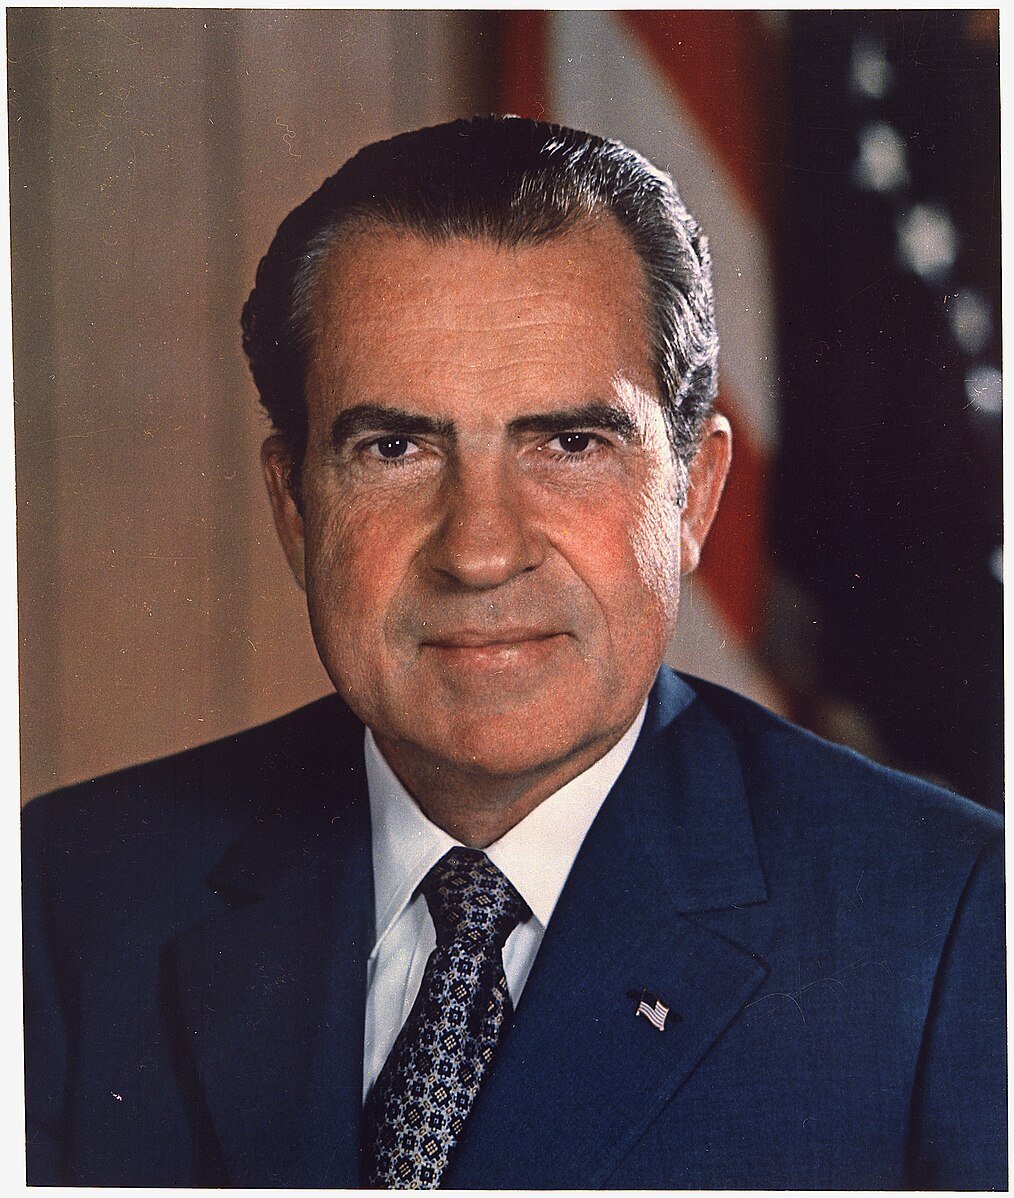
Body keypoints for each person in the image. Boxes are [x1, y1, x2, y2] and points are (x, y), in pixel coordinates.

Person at [22, 116, 1004, 1189]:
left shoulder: (946, 928)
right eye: (395, 447)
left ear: (695, 495)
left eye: (569, 444)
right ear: (294, 508)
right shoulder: (67, 897)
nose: (481, 551)